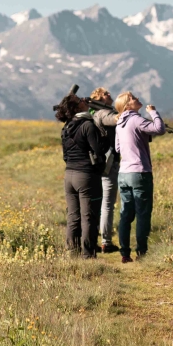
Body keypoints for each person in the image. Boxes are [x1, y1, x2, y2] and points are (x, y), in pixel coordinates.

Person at [114, 92, 165, 264]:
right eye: (134, 98)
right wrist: (153, 113)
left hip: (124, 173)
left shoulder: (119, 123)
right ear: (128, 105)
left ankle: (124, 253)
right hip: (140, 173)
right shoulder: (136, 119)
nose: (137, 98)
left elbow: (118, 147)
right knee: (143, 214)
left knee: (126, 214)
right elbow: (159, 129)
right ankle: (142, 253)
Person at [55, 92, 105, 259]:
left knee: (73, 216)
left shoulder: (67, 127)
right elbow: (98, 150)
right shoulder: (87, 125)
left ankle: (72, 253)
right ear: (77, 107)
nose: (84, 100)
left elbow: (65, 155)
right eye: (80, 100)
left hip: (69, 175)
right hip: (86, 176)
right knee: (88, 217)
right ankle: (88, 255)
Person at [89, 87, 120, 253]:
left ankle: (94, 239)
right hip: (109, 163)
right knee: (107, 204)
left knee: (97, 203)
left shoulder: (92, 113)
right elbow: (115, 120)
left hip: (97, 163)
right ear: (100, 98)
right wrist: (128, 112)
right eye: (107, 94)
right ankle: (106, 242)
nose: (110, 95)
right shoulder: (103, 113)